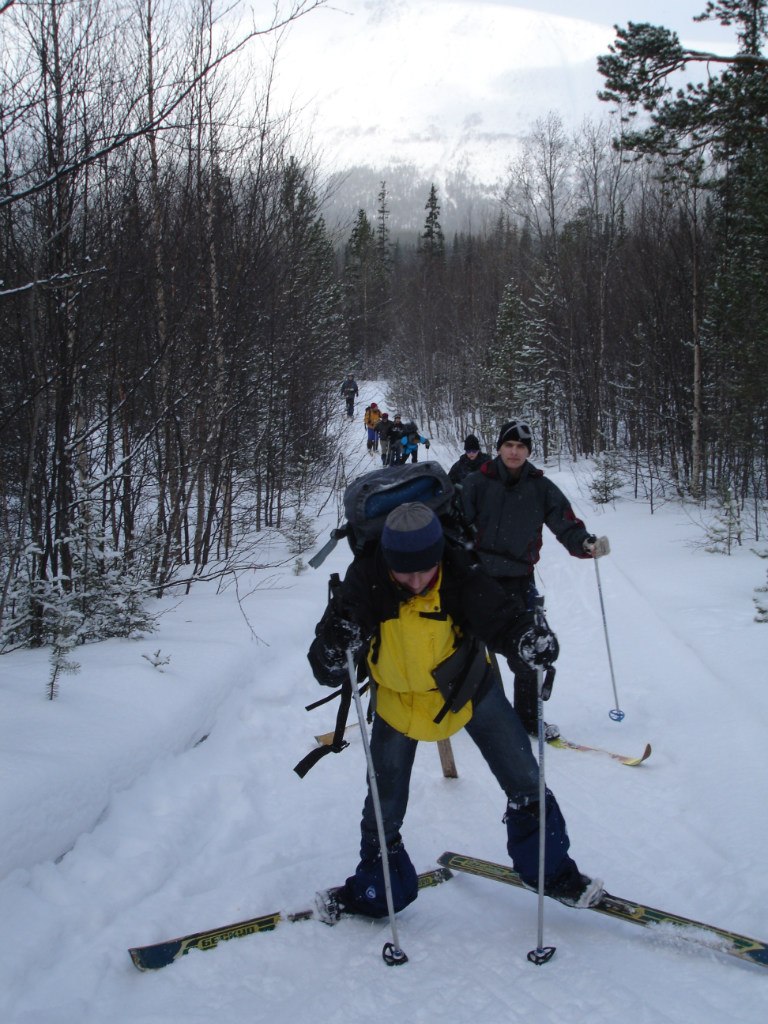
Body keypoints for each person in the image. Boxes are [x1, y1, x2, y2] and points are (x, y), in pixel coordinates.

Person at [307, 502, 603, 920]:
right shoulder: (366, 579)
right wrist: (335, 648)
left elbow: (500, 618)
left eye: (423, 571)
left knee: (525, 778)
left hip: (467, 687)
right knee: (384, 804)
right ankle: (377, 890)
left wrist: (526, 639)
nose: (414, 582)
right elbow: (324, 665)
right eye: (403, 573)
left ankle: (552, 873)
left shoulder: (459, 568)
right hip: (399, 700)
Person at [460, 419, 606, 738]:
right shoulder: (476, 483)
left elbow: (564, 522)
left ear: (528, 451)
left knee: (530, 650)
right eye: (508, 446)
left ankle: (526, 720)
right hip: (478, 581)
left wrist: (584, 543)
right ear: (498, 448)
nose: (514, 452)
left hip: (518, 580)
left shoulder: (540, 487)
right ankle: (456, 712)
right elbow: (455, 528)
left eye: (521, 447)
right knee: (464, 649)